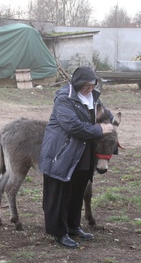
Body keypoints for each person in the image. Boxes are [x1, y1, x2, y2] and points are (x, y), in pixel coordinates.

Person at [39, 67, 115, 248]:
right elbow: (72, 126)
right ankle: (59, 232)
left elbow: (106, 114)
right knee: (61, 193)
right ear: (78, 83)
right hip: (62, 152)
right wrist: (99, 129)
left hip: (82, 153)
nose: (90, 89)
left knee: (77, 191)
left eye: (92, 85)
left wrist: (107, 119)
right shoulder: (64, 99)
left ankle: (73, 226)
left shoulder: (93, 98)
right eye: (87, 86)